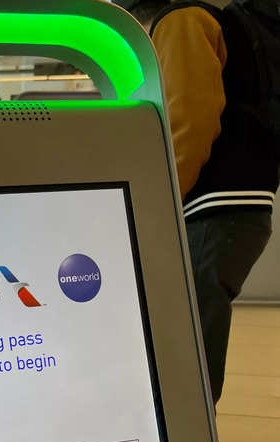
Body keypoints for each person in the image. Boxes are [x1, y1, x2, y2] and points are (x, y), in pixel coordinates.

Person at [116, 0, 280, 405]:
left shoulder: (183, 21)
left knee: (189, 358)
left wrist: (153, 200)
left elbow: (187, 125)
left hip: (211, 208)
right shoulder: (219, 22)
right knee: (195, 344)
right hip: (240, 210)